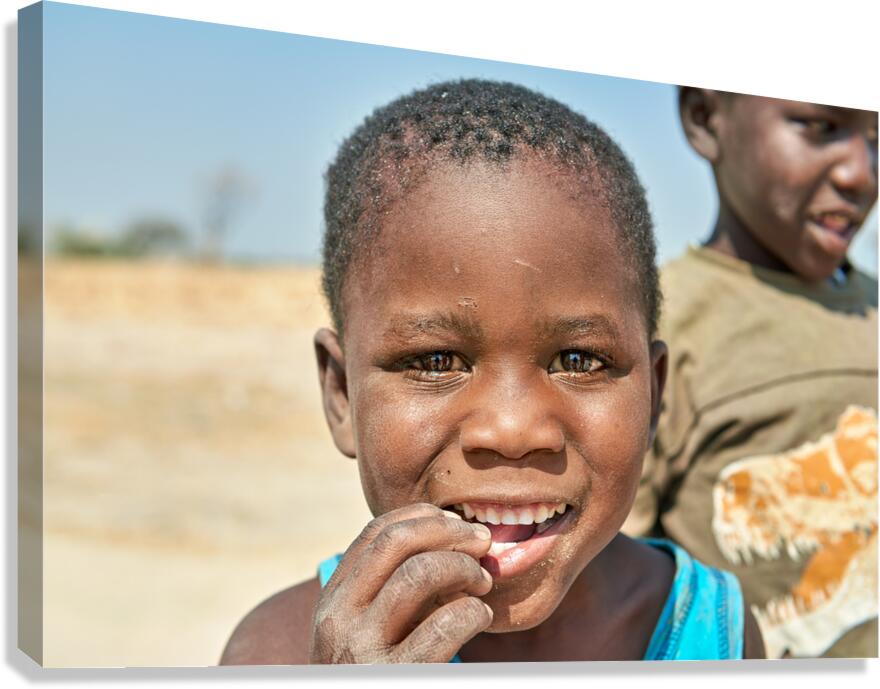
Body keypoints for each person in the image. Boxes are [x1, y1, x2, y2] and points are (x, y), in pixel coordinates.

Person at [219, 79, 763, 664]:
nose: (511, 431)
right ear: (342, 393)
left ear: (653, 396)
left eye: (578, 361)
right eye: (435, 362)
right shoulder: (280, 655)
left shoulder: (719, 636)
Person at [623, 89, 878, 659]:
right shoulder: (655, 327)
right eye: (820, 127)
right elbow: (610, 580)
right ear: (706, 118)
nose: (861, 173)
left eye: (877, 140)